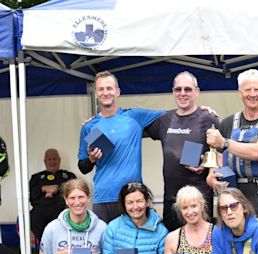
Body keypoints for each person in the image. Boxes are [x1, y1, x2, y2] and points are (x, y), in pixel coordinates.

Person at [206, 69, 258, 254]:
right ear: (239, 92)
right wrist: (211, 174)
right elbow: (216, 156)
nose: (252, 94)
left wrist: (225, 143)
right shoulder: (227, 123)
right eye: (247, 89)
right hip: (232, 201)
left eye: (257, 89)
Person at [77, 71, 164, 223]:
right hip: (103, 197)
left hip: (131, 197)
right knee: (105, 245)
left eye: (109, 88)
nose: (105, 93)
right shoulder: (90, 127)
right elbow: (83, 166)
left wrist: (198, 109)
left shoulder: (134, 117)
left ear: (117, 92)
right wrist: (91, 159)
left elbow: (172, 115)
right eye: (101, 89)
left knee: (129, 245)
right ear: (96, 93)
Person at [146, 71, 221, 232]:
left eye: (187, 89)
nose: (182, 93)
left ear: (197, 91)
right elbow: (132, 124)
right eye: (178, 89)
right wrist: (101, 118)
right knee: (175, 249)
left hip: (198, 201)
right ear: (173, 91)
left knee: (202, 250)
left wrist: (208, 163)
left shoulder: (208, 118)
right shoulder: (164, 119)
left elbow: (222, 151)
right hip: (171, 200)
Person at [30, 148, 76, 243]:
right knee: (32, 217)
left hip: (61, 209)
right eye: (49, 159)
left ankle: (60, 246)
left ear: (59, 160)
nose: (52, 162)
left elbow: (75, 192)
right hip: (40, 211)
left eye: (54, 159)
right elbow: (31, 197)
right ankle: (44, 246)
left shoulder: (69, 176)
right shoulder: (36, 178)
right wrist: (43, 188)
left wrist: (57, 188)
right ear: (44, 161)